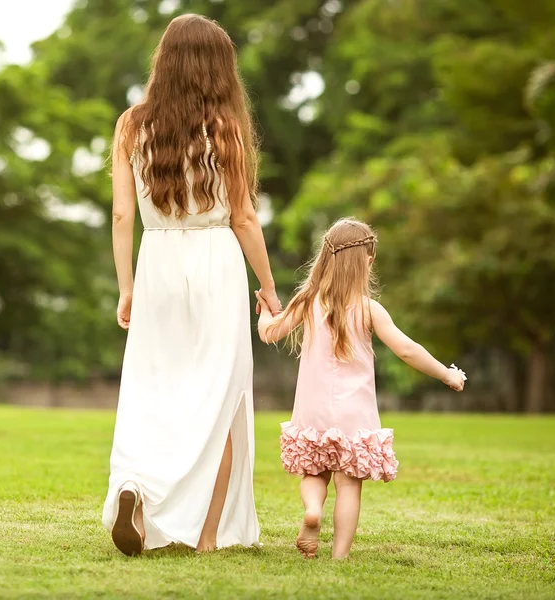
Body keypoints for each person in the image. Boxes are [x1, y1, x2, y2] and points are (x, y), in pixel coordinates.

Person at [102, 14, 282, 556]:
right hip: (215, 264)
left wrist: (126, 286)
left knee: (153, 390)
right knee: (220, 398)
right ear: (217, 69)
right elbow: (245, 219)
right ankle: (206, 538)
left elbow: (119, 216)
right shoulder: (225, 128)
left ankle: (136, 485)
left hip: (157, 262)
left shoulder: (131, 125)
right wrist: (270, 290)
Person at [255, 218, 466, 559]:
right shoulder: (370, 309)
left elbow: (270, 333)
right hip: (354, 413)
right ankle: (339, 556)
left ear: (325, 259)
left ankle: (312, 510)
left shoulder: (308, 301)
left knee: (314, 471)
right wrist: (446, 374)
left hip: (312, 409)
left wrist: (265, 312)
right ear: (368, 262)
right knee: (349, 484)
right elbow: (407, 350)